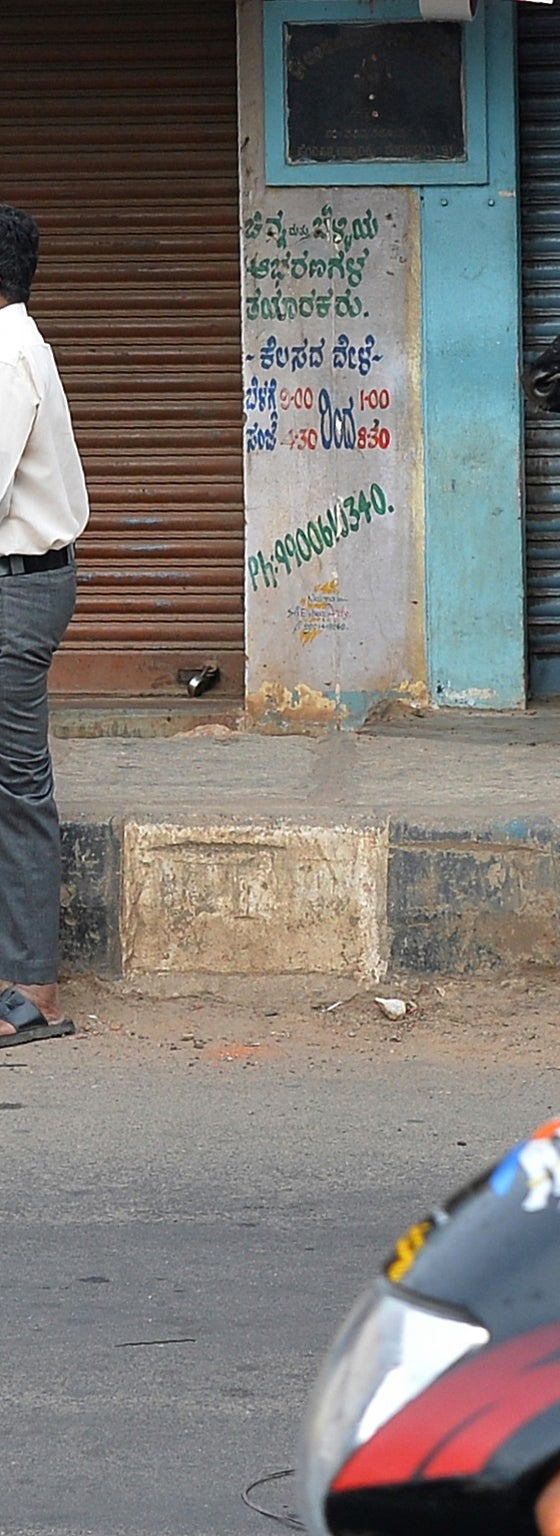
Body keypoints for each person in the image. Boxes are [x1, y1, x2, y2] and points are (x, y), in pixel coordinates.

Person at [0, 204, 87, 1048]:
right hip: (24, 582)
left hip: (15, 590)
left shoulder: (6, 357)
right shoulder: (21, 346)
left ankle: (33, 990)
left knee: (17, 785)